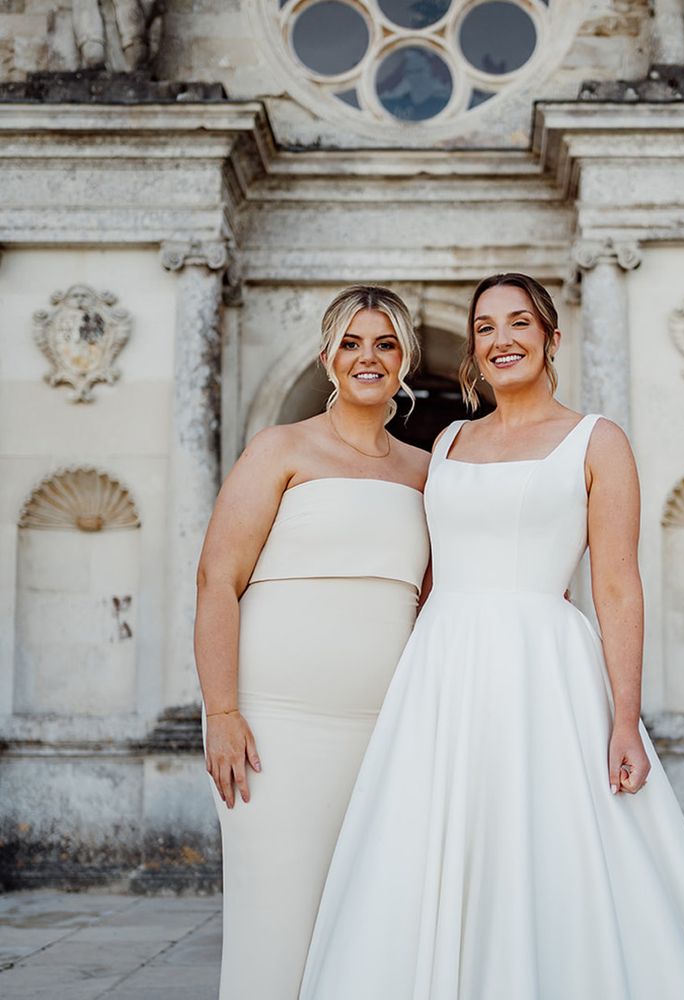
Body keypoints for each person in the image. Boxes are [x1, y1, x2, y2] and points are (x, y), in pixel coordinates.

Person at [300, 273, 684, 999]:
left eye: (519, 324)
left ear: (551, 339)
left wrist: (623, 717)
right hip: (442, 668)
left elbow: (615, 585)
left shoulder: (596, 441)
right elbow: (418, 567)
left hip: (544, 668)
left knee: (549, 846)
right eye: (485, 328)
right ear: (474, 350)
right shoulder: (448, 440)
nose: (501, 339)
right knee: (429, 848)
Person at [194, 285, 430, 1000]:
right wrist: (223, 713)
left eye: (384, 344)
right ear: (328, 357)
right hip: (276, 724)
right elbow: (215, 579)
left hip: (386, 729)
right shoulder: (281, 448)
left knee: (371, 922)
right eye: (352, 343)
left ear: (405, 361)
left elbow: (443, 599)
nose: (368, 357)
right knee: (276, 922)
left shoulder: (426, 471)